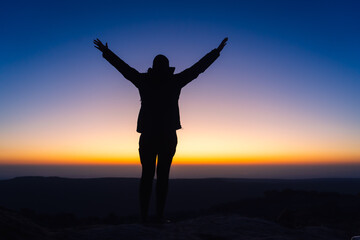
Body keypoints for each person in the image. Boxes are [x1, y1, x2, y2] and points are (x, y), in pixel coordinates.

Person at [94, 37, 228, 223]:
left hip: (148, 135)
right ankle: (158, 217)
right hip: (166, 136)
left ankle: (144, 217)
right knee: (162, 177)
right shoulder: (175, 81)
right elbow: (198, 69)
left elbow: (124, 69)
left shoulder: (144, 80)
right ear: (167, 67)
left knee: (147, 176)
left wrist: (107, 53)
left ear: (154, 66)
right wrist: (216, 51)